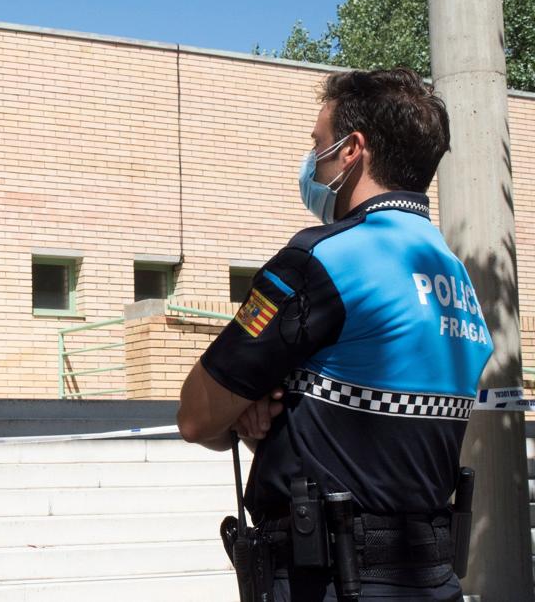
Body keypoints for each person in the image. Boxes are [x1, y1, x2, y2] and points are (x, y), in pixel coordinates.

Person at [177, 68, 491, 601]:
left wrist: (249, 411)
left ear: (352, 151)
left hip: (329, 582)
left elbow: (196, 414)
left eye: (319, 145)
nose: (312, 161)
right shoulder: (456, 279)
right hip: (434, 581)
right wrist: (281, 422)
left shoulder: (322, 259)